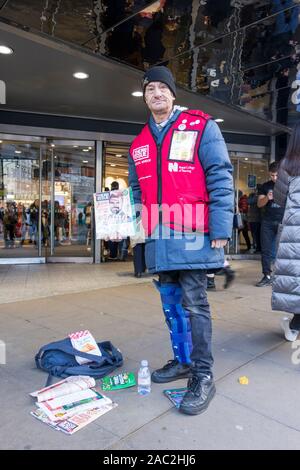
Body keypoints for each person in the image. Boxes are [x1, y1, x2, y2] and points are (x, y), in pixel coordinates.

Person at [128, 66, 234, 415]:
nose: (156, 93)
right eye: (150, 89)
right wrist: (131, 223)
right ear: (144, 97)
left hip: (194, 234)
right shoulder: (140, 143)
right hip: (159, 237)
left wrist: (221, 229)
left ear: (173, 94)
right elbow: (135, 191)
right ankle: (183, 360)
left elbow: (220, 175)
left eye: (162, 88)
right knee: (171, 303)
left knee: (194, 303)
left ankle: (203, 375)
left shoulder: (201, 126)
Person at [272, 122, 300, 341]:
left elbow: (280, 200)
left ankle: (295, 323)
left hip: (294, 233)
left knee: (295, 277)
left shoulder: (287, 165)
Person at [256, 162, 284, 287]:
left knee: (283, 252)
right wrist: (267, 198)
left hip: (283, 222)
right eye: (272, 175)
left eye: (277, 175)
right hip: (267, 222)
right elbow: (259, 204)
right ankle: (266, 275)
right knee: (266, 250)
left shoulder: (288, 186)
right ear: (269, 174)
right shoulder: (265, 186)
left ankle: (282, 277)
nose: (275, 178)